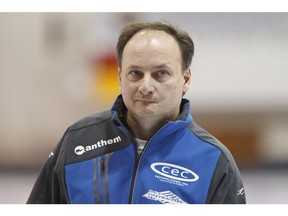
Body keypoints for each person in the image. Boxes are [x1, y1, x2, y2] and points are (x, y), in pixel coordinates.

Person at [27, 21, 246, 204]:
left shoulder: (215, 161)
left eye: (161, 73)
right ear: (120, 78)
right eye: (135, 73)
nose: (146, 86)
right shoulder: (77, 141)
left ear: (185, 79)